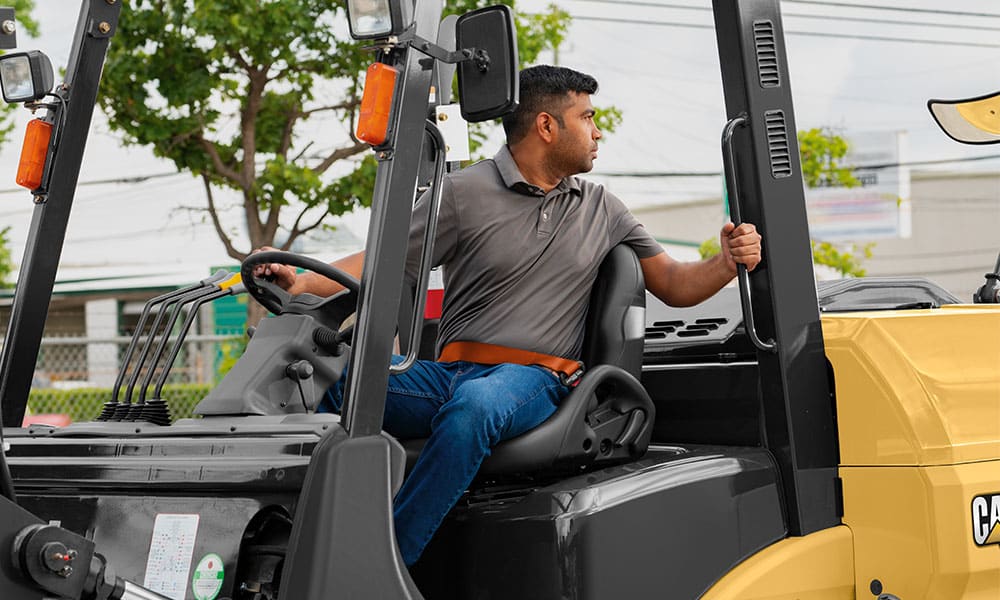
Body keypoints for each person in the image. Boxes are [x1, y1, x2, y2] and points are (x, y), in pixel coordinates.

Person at [255, 65, 762, 566]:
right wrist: (301, 282)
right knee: (334, 389)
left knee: (475, 409)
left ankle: (382, 564)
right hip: (448, 376)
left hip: (534, 380)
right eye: (586, 117)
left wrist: (724, 262)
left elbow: (674, 284)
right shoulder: (462, 194)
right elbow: (380, 259)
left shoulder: (602, 208)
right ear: (547, 126)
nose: (597, 130)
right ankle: (300, 544)